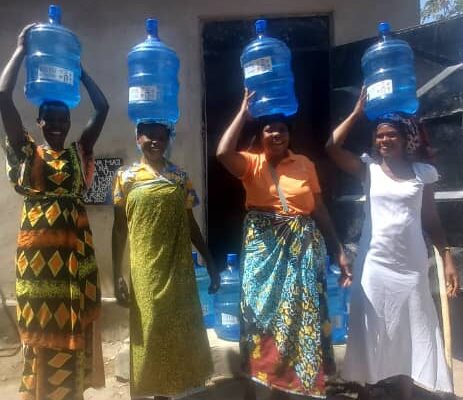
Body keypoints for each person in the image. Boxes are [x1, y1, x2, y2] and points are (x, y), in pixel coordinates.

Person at [216, 89, 351, 400]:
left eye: (281, 128)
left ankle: (295, 385)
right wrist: (242, 112)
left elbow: (318, 209)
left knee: (299, 316)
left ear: (289, 133)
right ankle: (261, 381)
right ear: (260, 134)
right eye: (269, 128)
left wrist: (339, 249)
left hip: (303, 251)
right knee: (259, 314)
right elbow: (223, 153)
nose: (276, 133)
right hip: (263, 251)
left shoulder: (304, 163)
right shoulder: (251, 163)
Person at [325, 89, 459, 400]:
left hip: (410, 266)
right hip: (374, 266)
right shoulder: (368, 169)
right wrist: (358, 112)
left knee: (411, 325)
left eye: (391, 136)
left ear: (406, 139)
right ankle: (370, 387)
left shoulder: (422, 174)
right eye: (379, 136)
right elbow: (331, 147)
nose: (384, 141)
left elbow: (431, 220)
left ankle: (404, 390)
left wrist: (448, 258)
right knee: (372, 326)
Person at [0, 24, 109, 400]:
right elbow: (2, 96)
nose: (60, 126)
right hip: (37, 262)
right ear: (40, 122)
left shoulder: (79, 154)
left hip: (74, 261)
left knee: (72, 326)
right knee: (43, 329)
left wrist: (79, 72)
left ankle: (72, 392)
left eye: (65, 120)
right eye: (52, 120)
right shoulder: (27, 152)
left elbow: (104, 107)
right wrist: (19, 51)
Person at [112, 122, 220, 399]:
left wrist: (209, 260)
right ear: (138, 139)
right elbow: (119, 228)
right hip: (145, 268)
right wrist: (116, 275)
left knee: (179, 326)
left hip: (178, 267)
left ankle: (177, 388)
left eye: (162, 136)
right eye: (149, 136)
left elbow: (190, 223)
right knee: (151, 327)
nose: (156, 141)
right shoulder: (126, 177)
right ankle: (152, 388)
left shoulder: (179, 176)